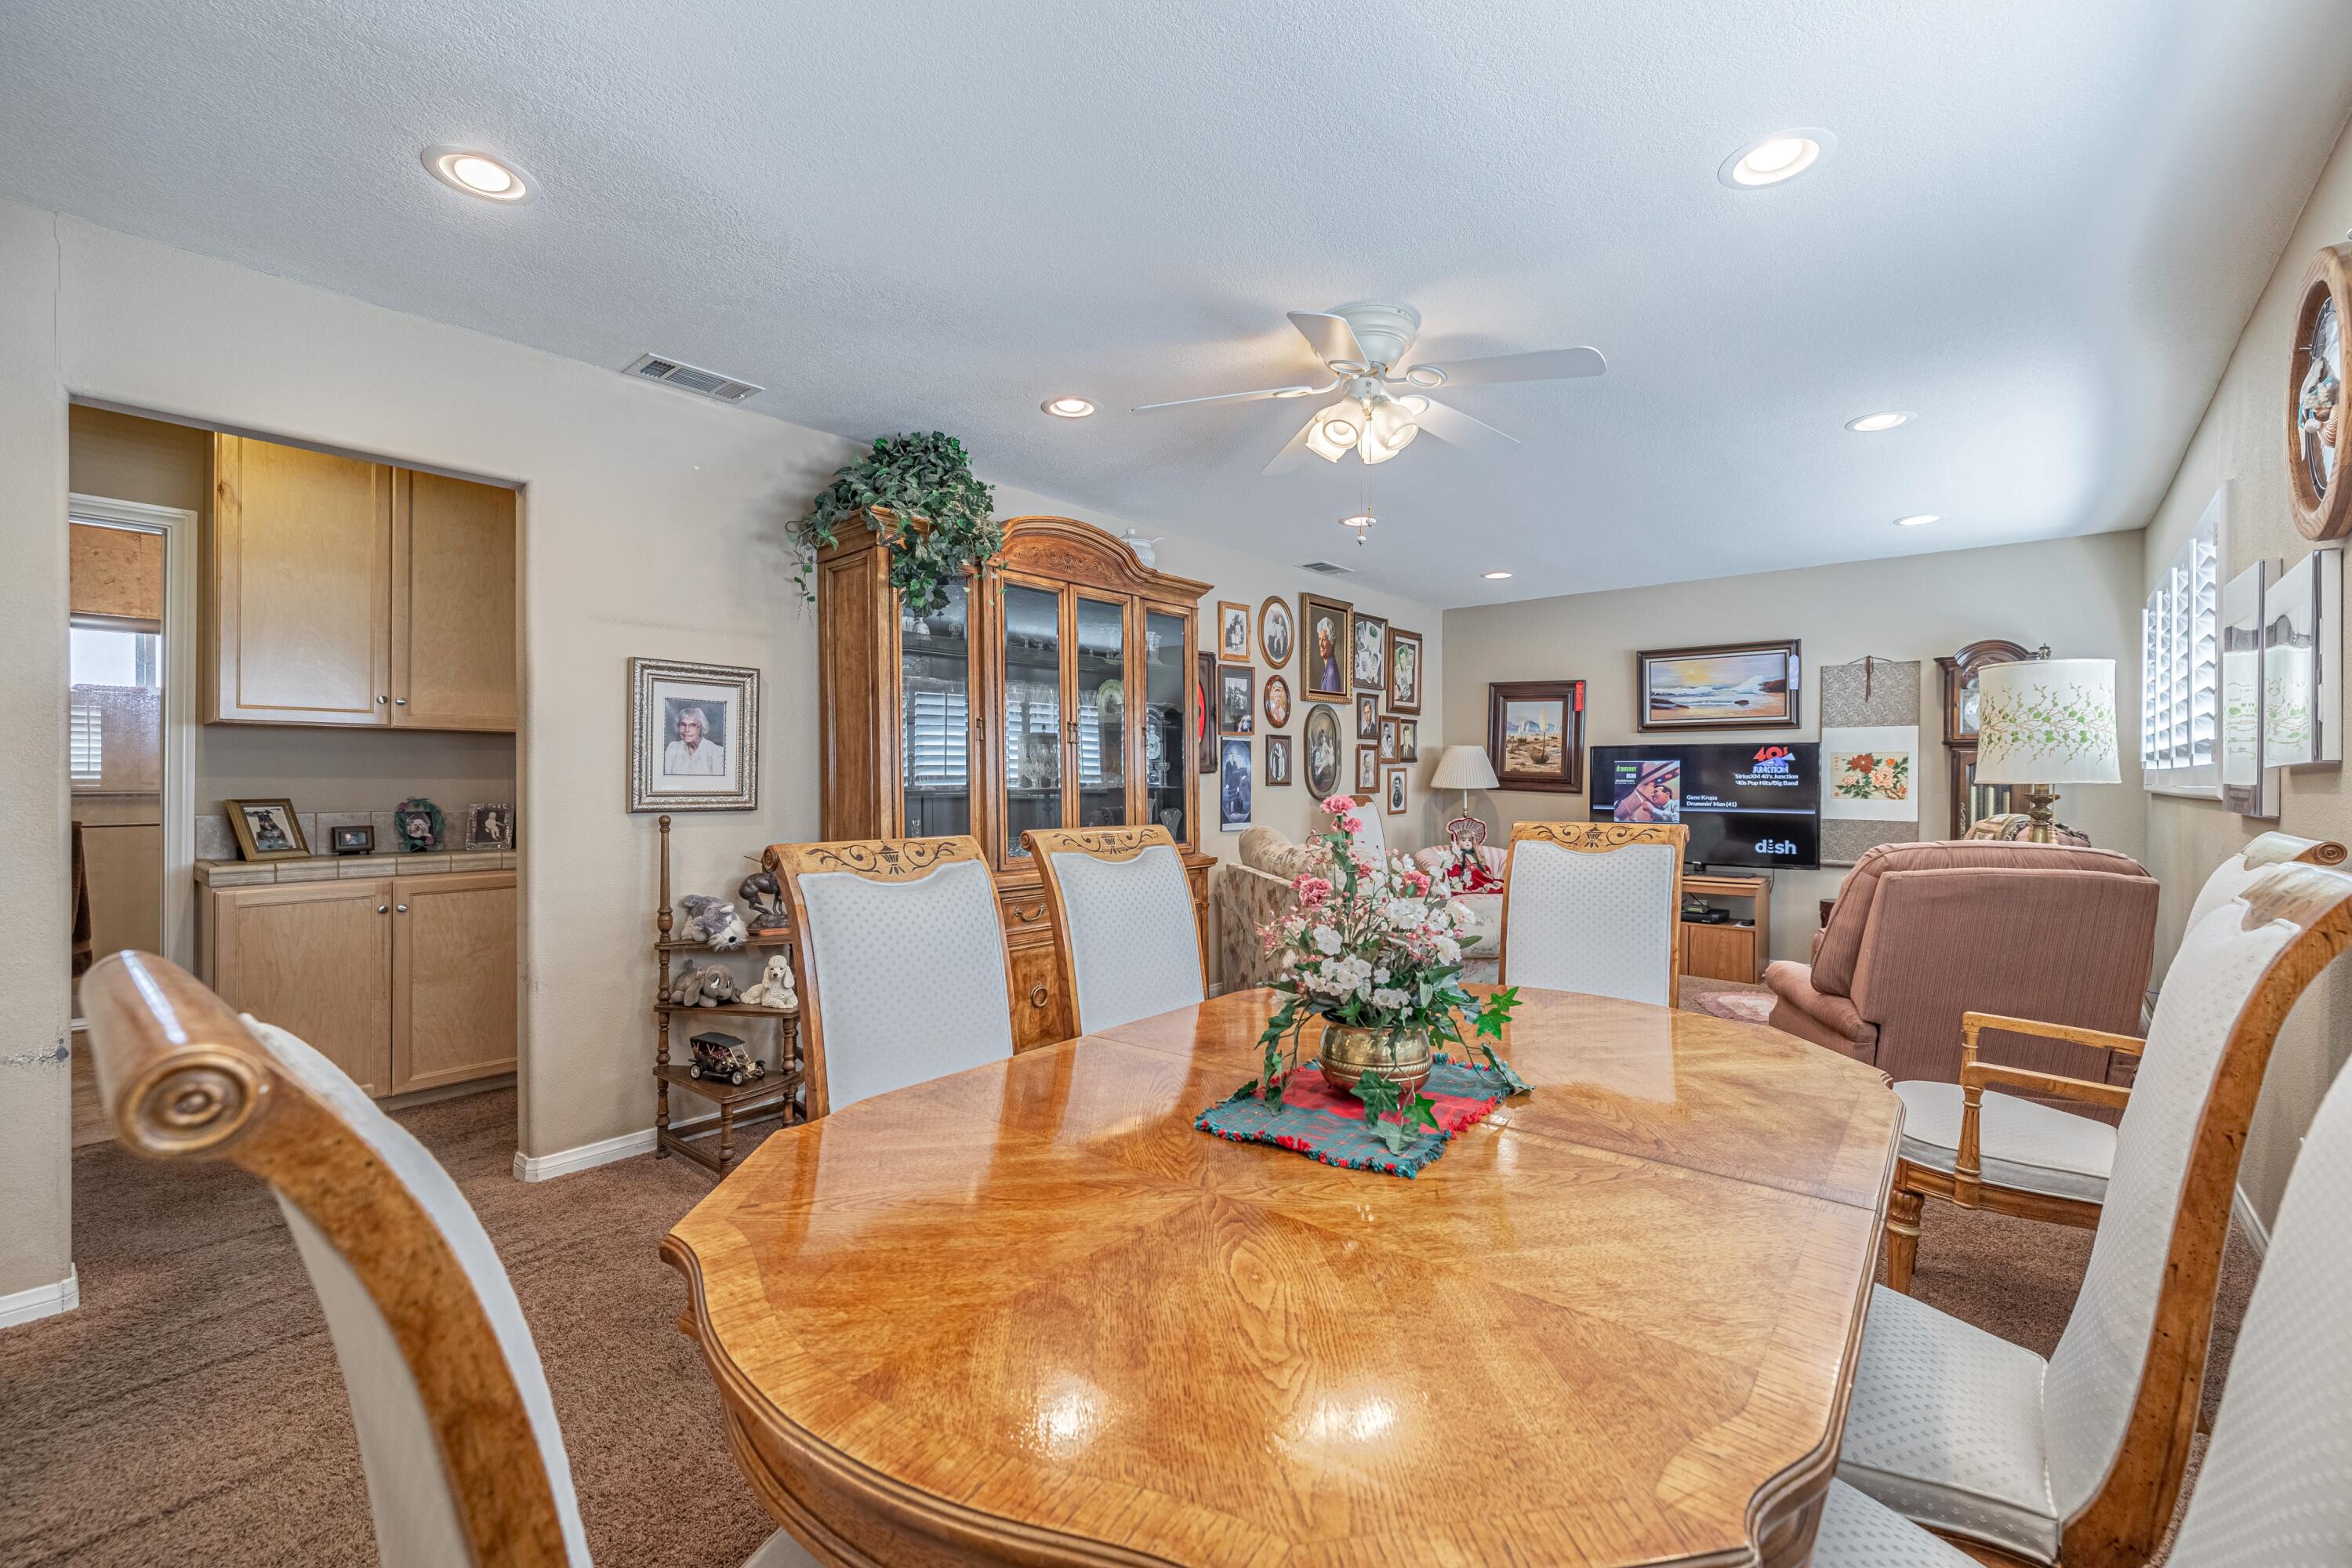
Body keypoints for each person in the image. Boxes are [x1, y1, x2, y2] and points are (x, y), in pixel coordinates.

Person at [663, 706, 727, 777]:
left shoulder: (715, 752)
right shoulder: (672, 748)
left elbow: (719, 784)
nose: (687, 730)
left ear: (701, 728)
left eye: (693, 725)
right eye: (683, 725)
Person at [1313, 618, 1342, 691]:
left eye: (1324, 639)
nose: (1320, 644)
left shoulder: (1331, 672)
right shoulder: (1327, 667)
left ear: (1331, 642)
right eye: (1320, 639)